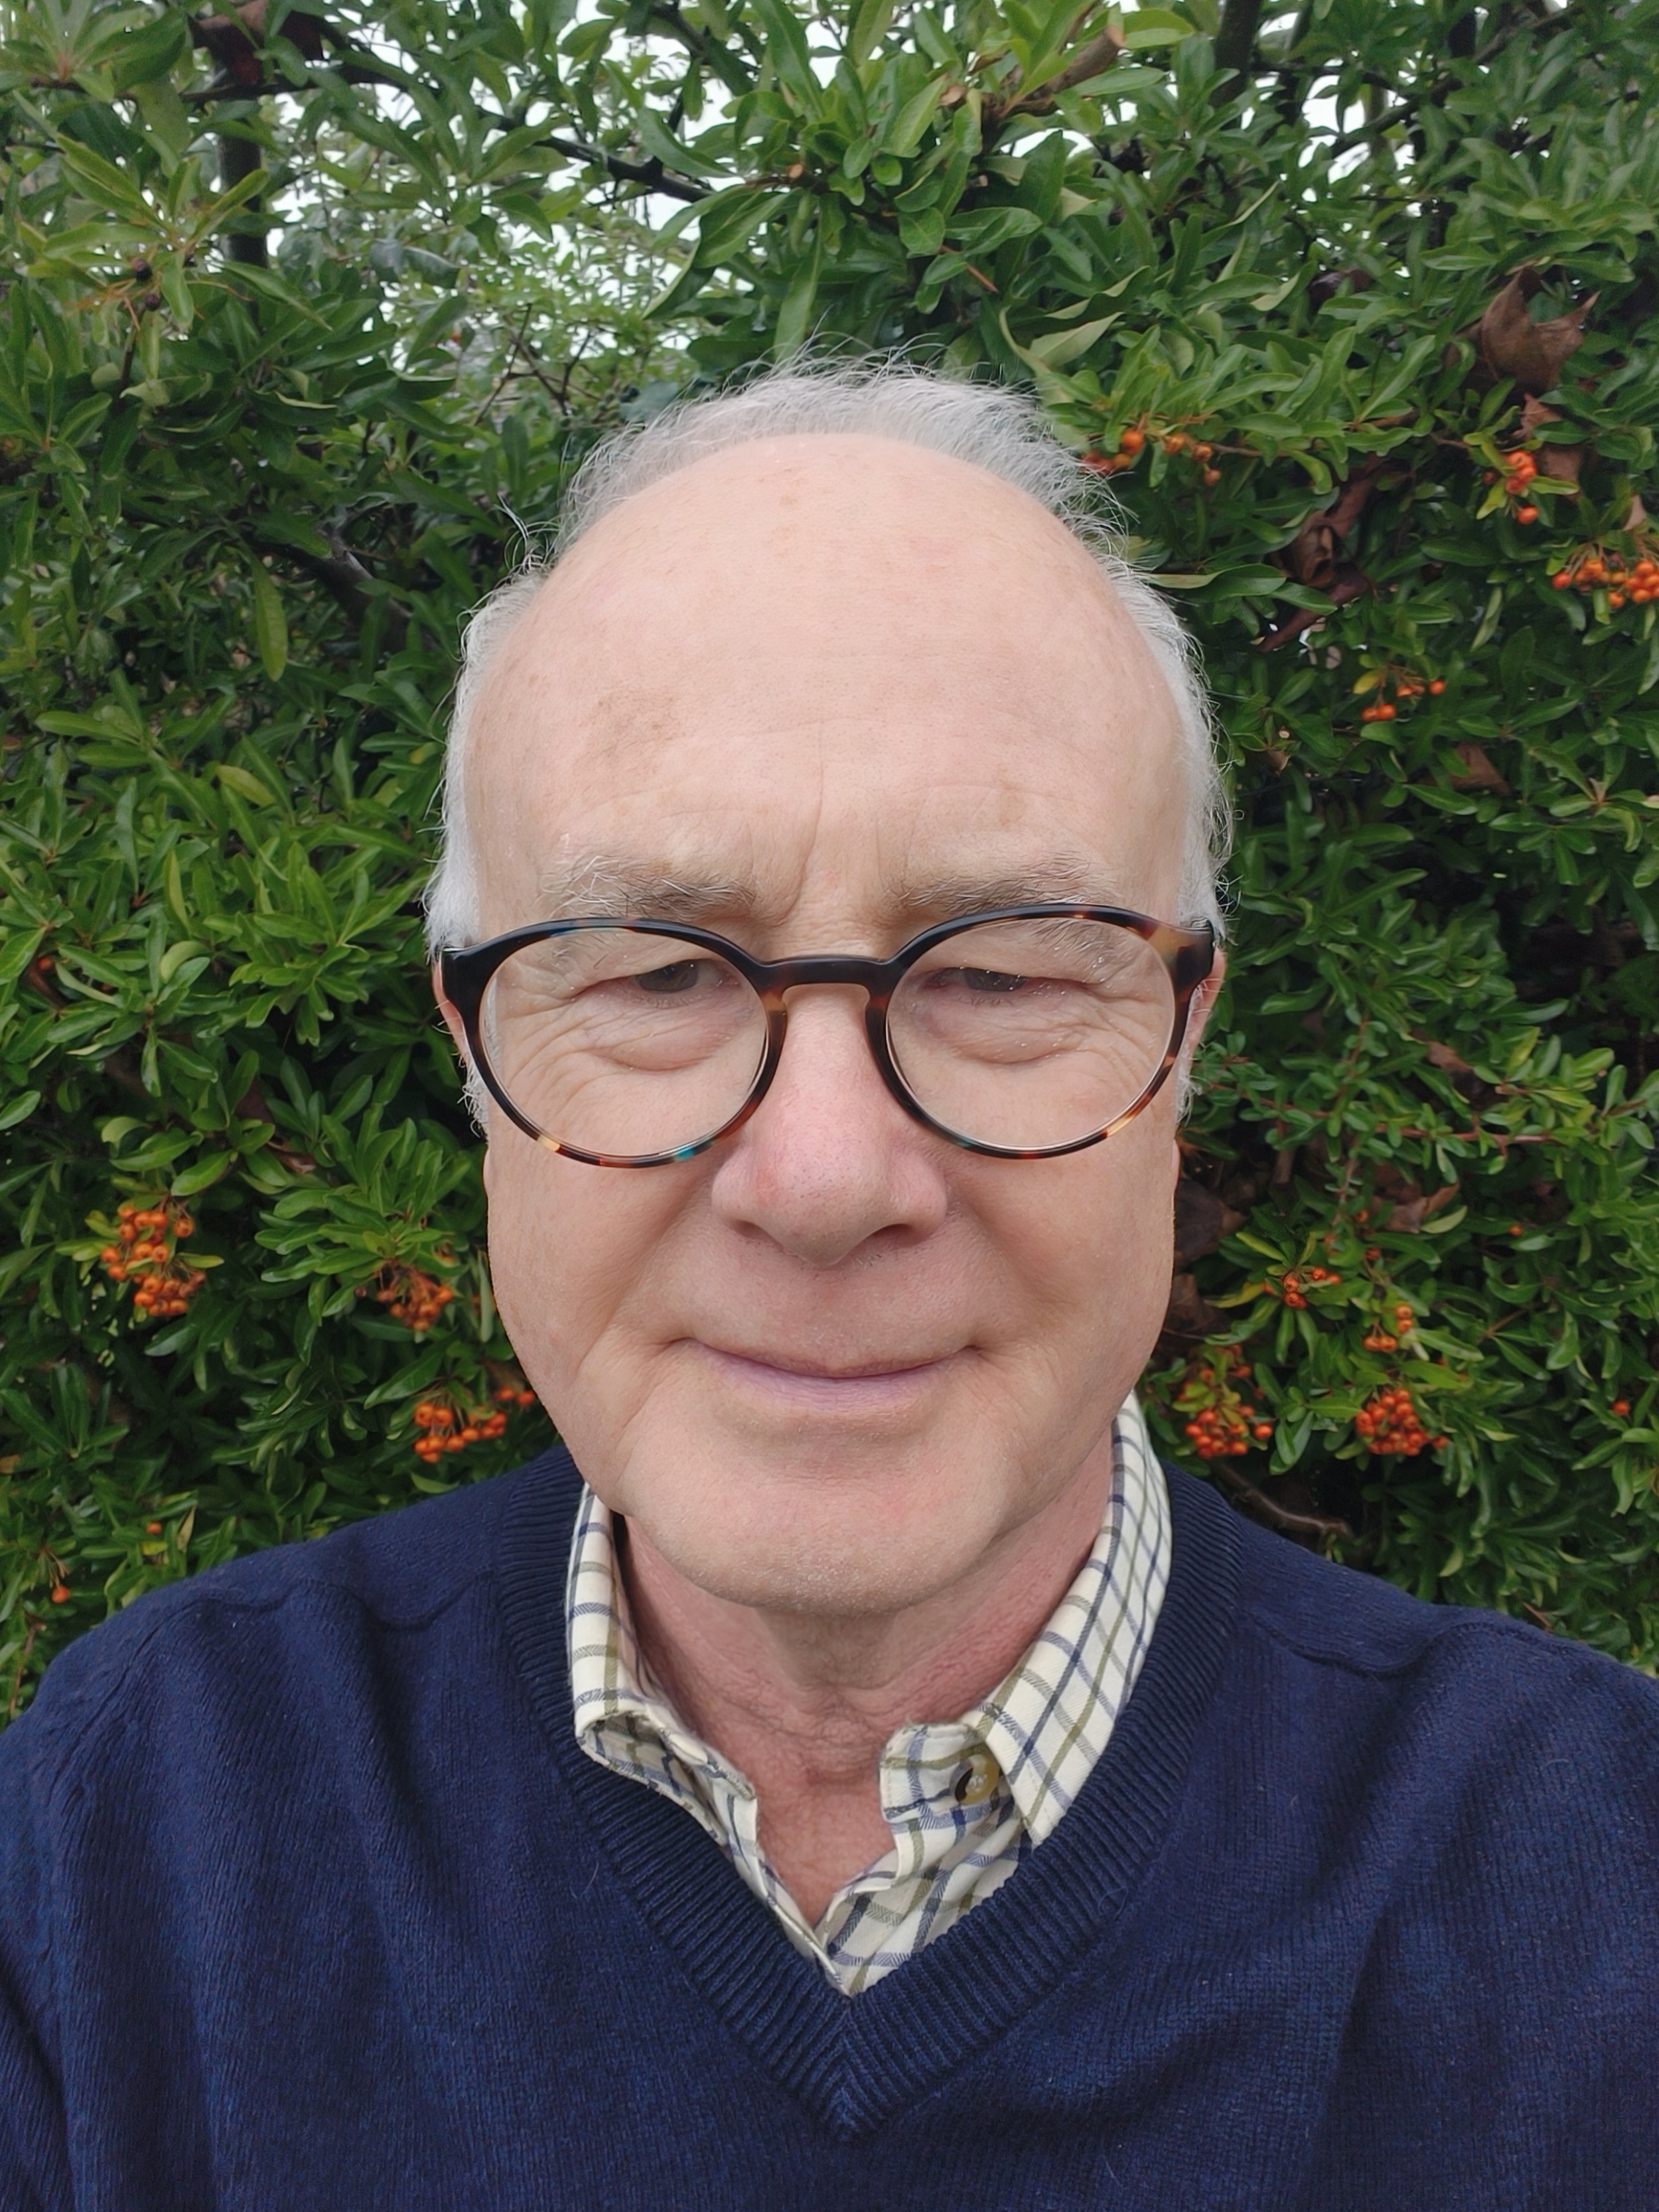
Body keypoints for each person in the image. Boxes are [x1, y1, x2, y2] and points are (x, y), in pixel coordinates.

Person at [1, 366, 1655, 2210]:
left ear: (1183, 1058)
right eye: (651, 976)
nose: (821, 1178)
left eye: (1008, 975)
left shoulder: (1601, 1897)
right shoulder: (138, 1832)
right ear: (474, 1067)